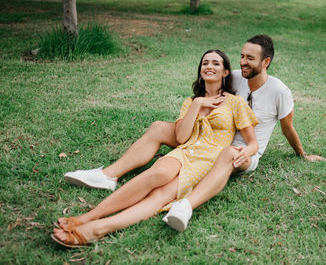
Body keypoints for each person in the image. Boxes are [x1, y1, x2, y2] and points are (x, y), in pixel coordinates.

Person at [64, 35, 326, 232]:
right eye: (241, 56)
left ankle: (186, 204)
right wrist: (199, 103)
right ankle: (108, 175)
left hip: (236, 151)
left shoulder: (277, 91)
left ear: (265, 62)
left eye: (250, 58)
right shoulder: (231, 78)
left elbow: (286, 127)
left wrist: (301, 154)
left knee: (223, 155)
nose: (242, 62)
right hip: (198, 139)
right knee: (158, 131)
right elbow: (188, 123)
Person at [51, 49, 258, 247]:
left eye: (215, 63)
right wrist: (198, 104)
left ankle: (96, 229)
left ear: (226, 72)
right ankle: (88, 216)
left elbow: (252, 143)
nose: (209, 66)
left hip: (208, 159)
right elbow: (181, 136)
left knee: (159, 196)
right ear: (200, 71)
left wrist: (247, 153)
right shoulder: (191, 102)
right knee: (157, 172)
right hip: (185, 151)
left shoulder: (235, 103)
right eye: (205, 63)